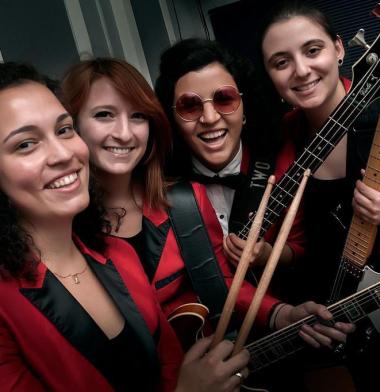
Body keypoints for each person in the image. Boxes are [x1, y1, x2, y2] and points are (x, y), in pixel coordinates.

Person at [62, 57, 354, 391]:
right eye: (104, 115)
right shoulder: (60, 229)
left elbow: (222, 282)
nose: (125, 132)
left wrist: (283, 314)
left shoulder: (186, 201)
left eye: (138, 116)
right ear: (70, 127)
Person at [0, 61, 252, 392]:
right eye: (25, 144)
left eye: (63, 130)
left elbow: (171, 371)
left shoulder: (119, 255)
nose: (62, 153)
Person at [259, 1, 380, 391]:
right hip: (332, 332)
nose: (301, 70)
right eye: (280, 62)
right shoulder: (275, 140)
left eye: (312, 50)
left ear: (338, 48)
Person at [155, 38, 302, 270]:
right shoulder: (160, 187)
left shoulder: (282, 163)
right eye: (190, 106)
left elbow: (306, 250)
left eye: (224, 99)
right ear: (173, 120)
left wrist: (269, 255)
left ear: (245, 107)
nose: (210, 118)